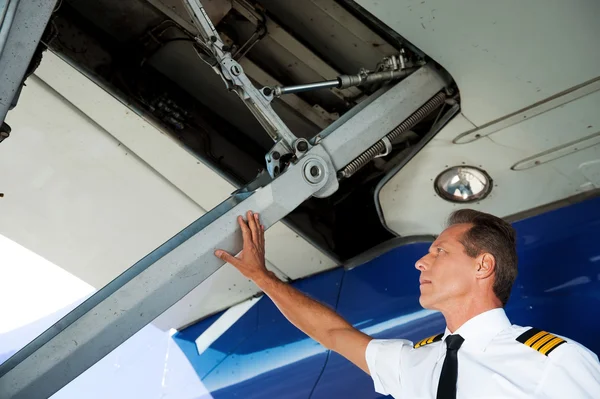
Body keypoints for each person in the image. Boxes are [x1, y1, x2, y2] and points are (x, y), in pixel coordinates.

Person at [214, 209, 600, 398]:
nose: (421, 261)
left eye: (439, 252)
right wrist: (261, 277)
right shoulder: (414, 361)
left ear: (483, 265)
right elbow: (332, 333)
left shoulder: (553, 360)